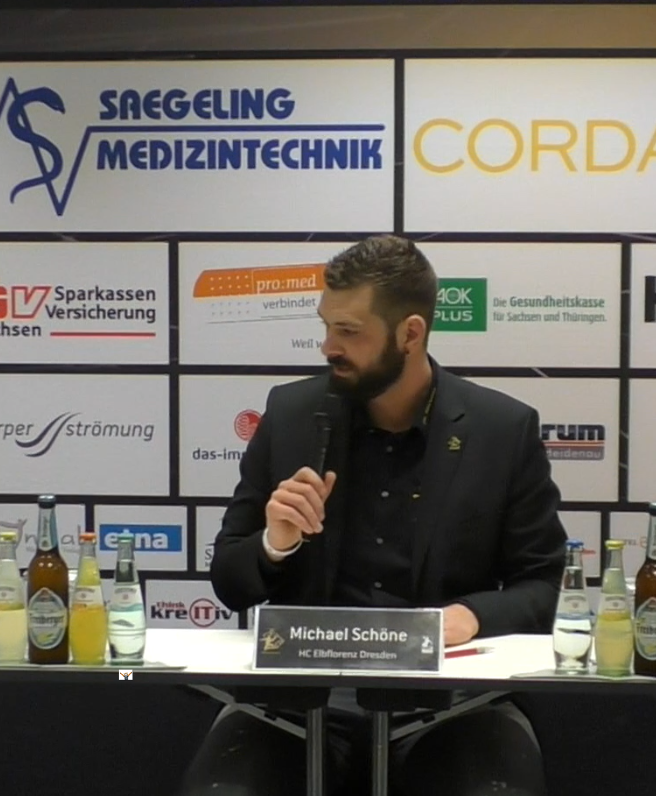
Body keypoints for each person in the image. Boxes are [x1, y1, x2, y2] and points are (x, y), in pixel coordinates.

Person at [182, 234, 568, 796]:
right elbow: (229, 583)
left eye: (349, 331)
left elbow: (548, 586)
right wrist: (274, 544)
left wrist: (470, 616)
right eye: (326, 326)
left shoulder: (501, 429)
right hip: (300, 697)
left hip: (452, 698)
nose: (328, 347)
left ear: (410, 333)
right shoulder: (291, 413)